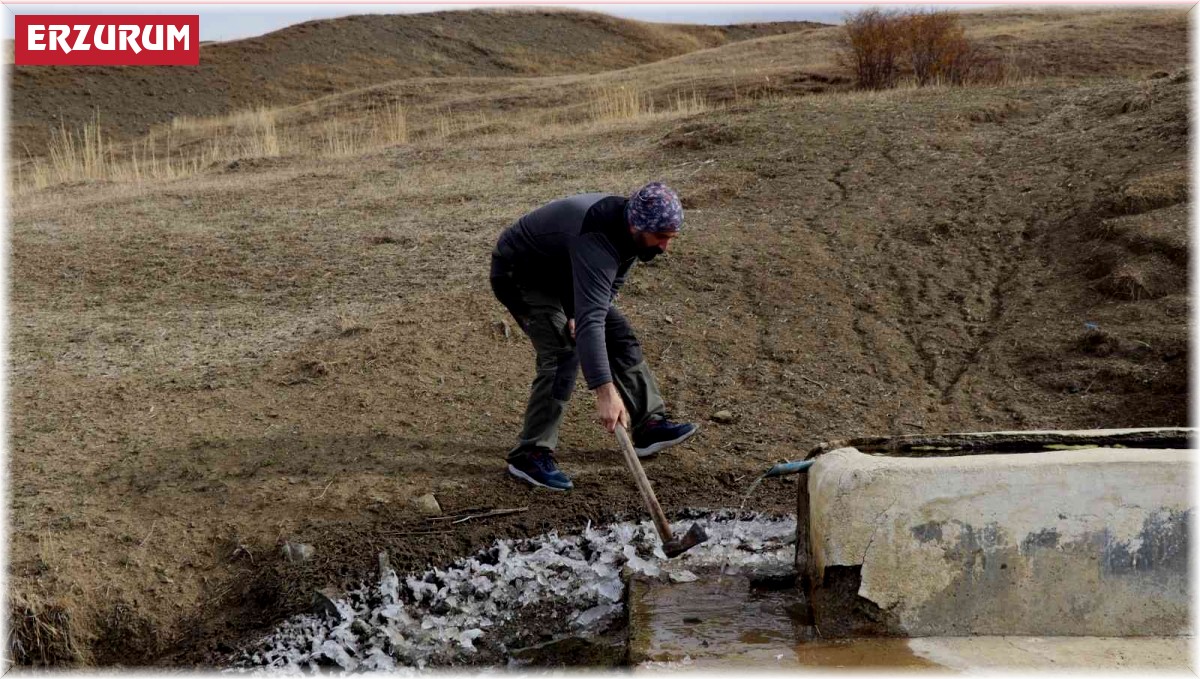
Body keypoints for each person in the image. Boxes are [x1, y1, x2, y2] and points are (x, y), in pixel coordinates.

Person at [489, 182, 699, 491]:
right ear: (636, 225)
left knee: (619, 335)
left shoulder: (633, 236)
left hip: (564, 272)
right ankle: (529, 454)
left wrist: (577, 311)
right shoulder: (598, 237)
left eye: (671, 238)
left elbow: (606, 294)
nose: (664, 247)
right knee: (563, 353)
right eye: (661, 238)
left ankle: (649, 425)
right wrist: (605, 393)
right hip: (520, 273)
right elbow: (591, 321)